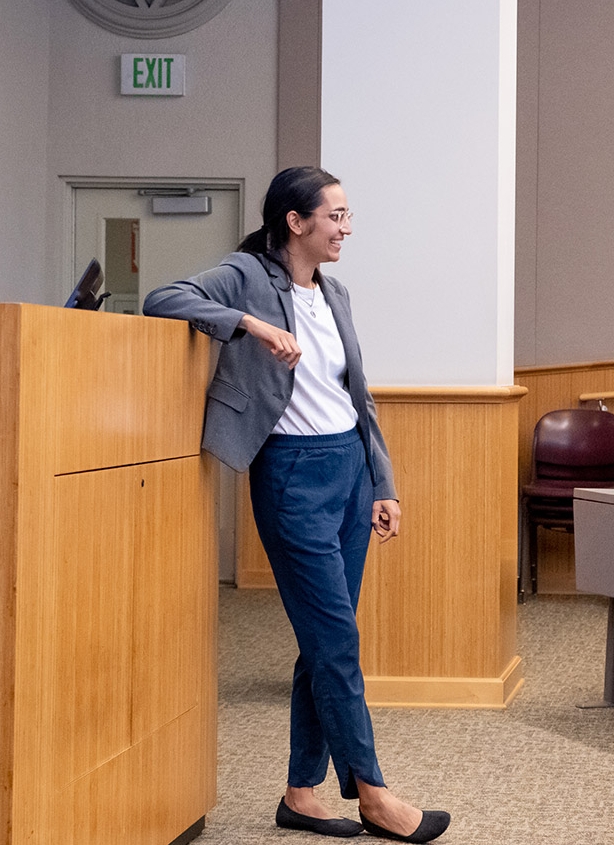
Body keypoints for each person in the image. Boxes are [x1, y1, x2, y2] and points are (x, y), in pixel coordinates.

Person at [144, 167, 448, 842]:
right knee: (337, 638)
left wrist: (385, 482)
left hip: (350, 473)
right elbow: (163, 298)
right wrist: (248, 324)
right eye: (335, 216)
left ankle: (302, 793)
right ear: (296, 221)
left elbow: (357, 396)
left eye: (346, 217)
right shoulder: (248, 275)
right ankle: (373, 792)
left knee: (322, 641)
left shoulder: (334, 293)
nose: (346, 228)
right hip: (289, 475)